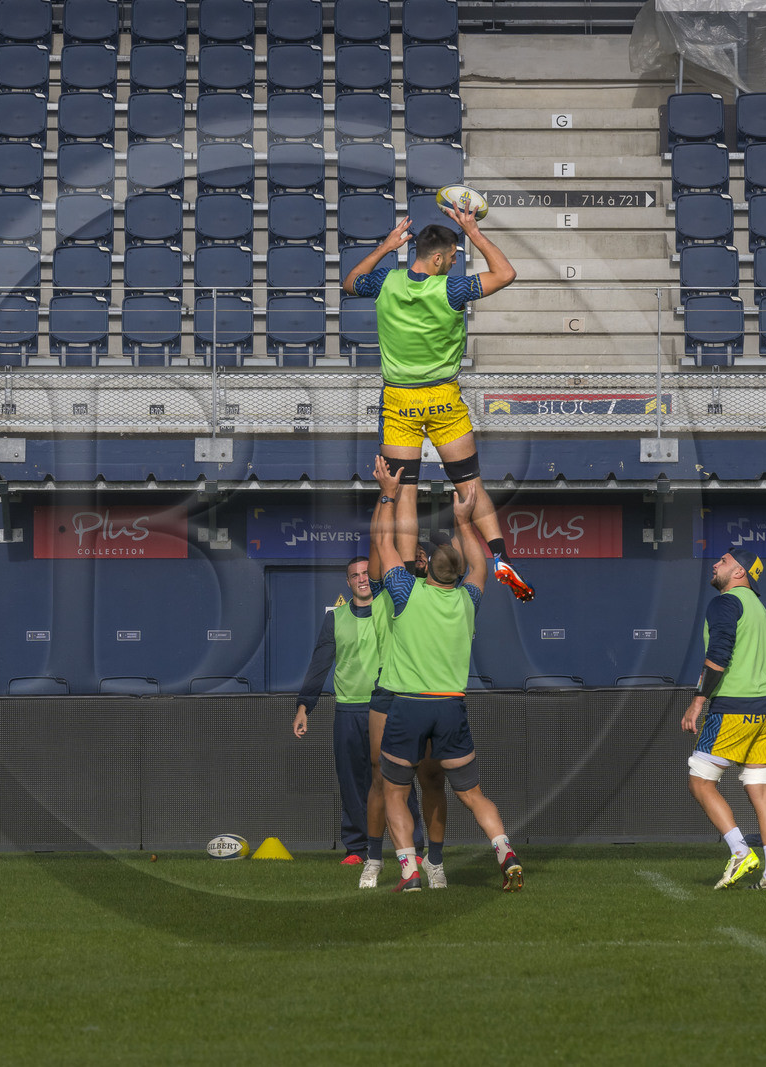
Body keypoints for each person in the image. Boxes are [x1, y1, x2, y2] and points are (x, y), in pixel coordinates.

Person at [341, 207, 533, 603]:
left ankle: (408, 578)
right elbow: (506, 274)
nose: (456, 260)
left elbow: (349, 282)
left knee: (405, 493)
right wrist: (472, 230)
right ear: (439, 258)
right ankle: (500, 558)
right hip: (443, 397)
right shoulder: (451, 289)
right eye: (454, 254)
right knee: (470, 484)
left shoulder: (387, 283)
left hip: (399, 400)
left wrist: (386, 246)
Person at [371, 455, 523, 893]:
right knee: (472, 794)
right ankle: (505, 852)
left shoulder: (405, 592)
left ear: (427, 568)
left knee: (395, 791)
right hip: (451, 706)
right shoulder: (467, 600)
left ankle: (409, 871)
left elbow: (384, 543)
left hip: (410, 705)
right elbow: (479, 565)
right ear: (455, 572)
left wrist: (388, 493)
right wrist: (463, 519)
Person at [292, 554, 432, 883]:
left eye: (367, 573)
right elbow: (319, 665)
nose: (362, 578)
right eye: (355, 575)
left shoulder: (390, 605)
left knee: (398, 778)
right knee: (353, 782)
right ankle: (358, 848)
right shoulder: (335, 618)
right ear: (348, 582)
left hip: (387, 706)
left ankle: (416, 847)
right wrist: (303, 707)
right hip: (348, 710)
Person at [680, 547, 766, 892]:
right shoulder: (759, 608)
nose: (715, 564)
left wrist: (698, 702)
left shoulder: (725, 603)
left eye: (724, 561)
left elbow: (718, 656)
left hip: (735, 709)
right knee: (761, 792)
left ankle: (740, 850)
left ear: (740, 572)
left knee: (700, 780)